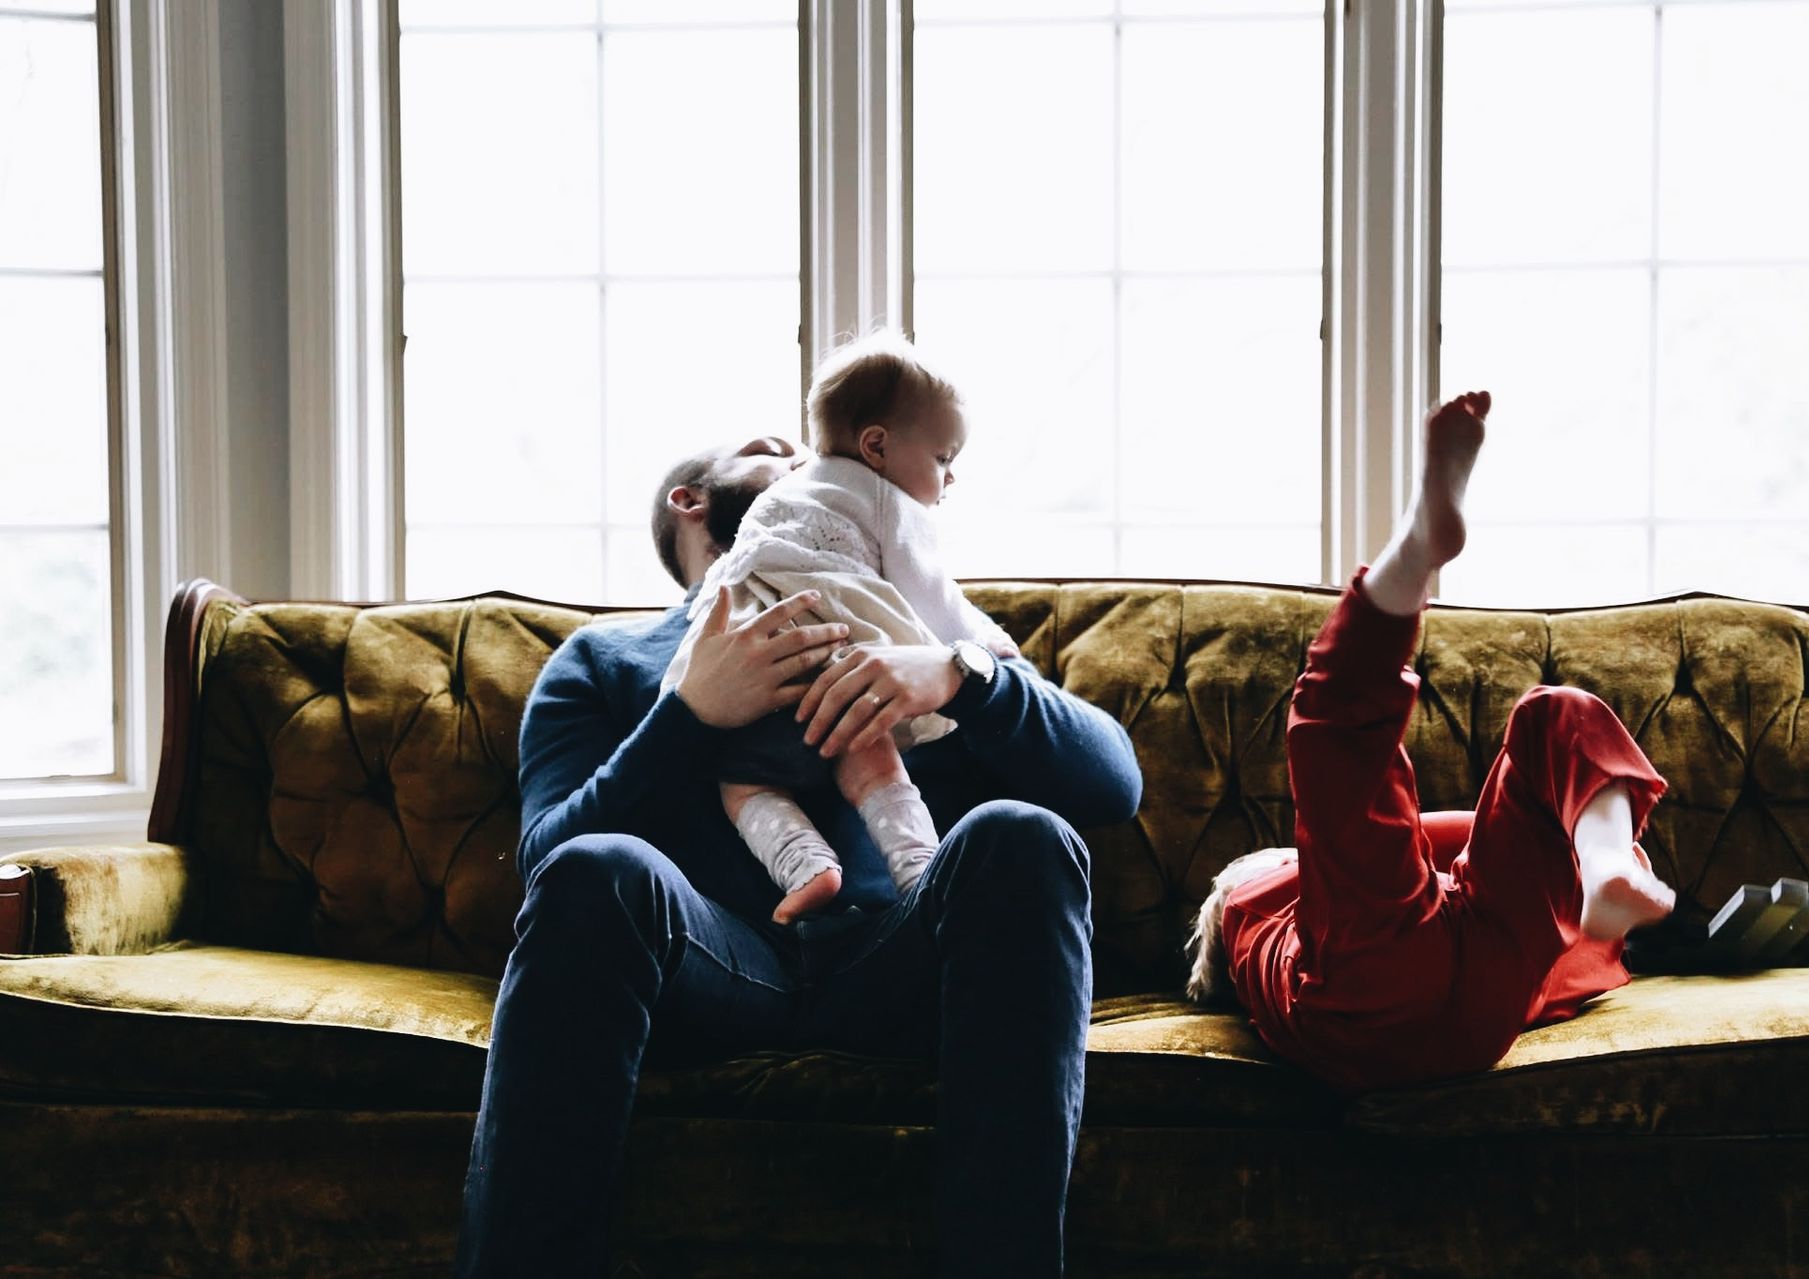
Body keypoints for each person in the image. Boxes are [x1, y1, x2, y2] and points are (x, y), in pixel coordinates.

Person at [455, 435, 1142, 1276]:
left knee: (1023, 834)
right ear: (691, 501)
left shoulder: (914, 625)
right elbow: (549, 867)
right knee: (598, 865)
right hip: (711, 966)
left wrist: (961, 678)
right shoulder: (602, 660)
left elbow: (1114, 783)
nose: (808, 459)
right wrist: (689, 713)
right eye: (773, 450)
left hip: (902, 956)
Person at [1185, 392, 1678, 1091]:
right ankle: (1415, 551)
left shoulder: (1298, 947)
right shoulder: (1246, 902)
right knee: (1340, 730)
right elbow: (1428, 832)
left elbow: (1420, 844)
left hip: (1464, 1003)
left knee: (1542, 714)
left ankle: (1603, 865)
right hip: (1383, 995)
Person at [660, 332, 1021, 925]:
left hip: (760, 719)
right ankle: (920, 871)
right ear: (875, 446)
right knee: (872, 760)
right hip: (832, 679)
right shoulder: (883, 501)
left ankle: (804, 867)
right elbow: (929, 587)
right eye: (943, 459)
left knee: (744, 788)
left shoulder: (777, 514)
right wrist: (979, 644)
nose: (802, 461)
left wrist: (967, 677)